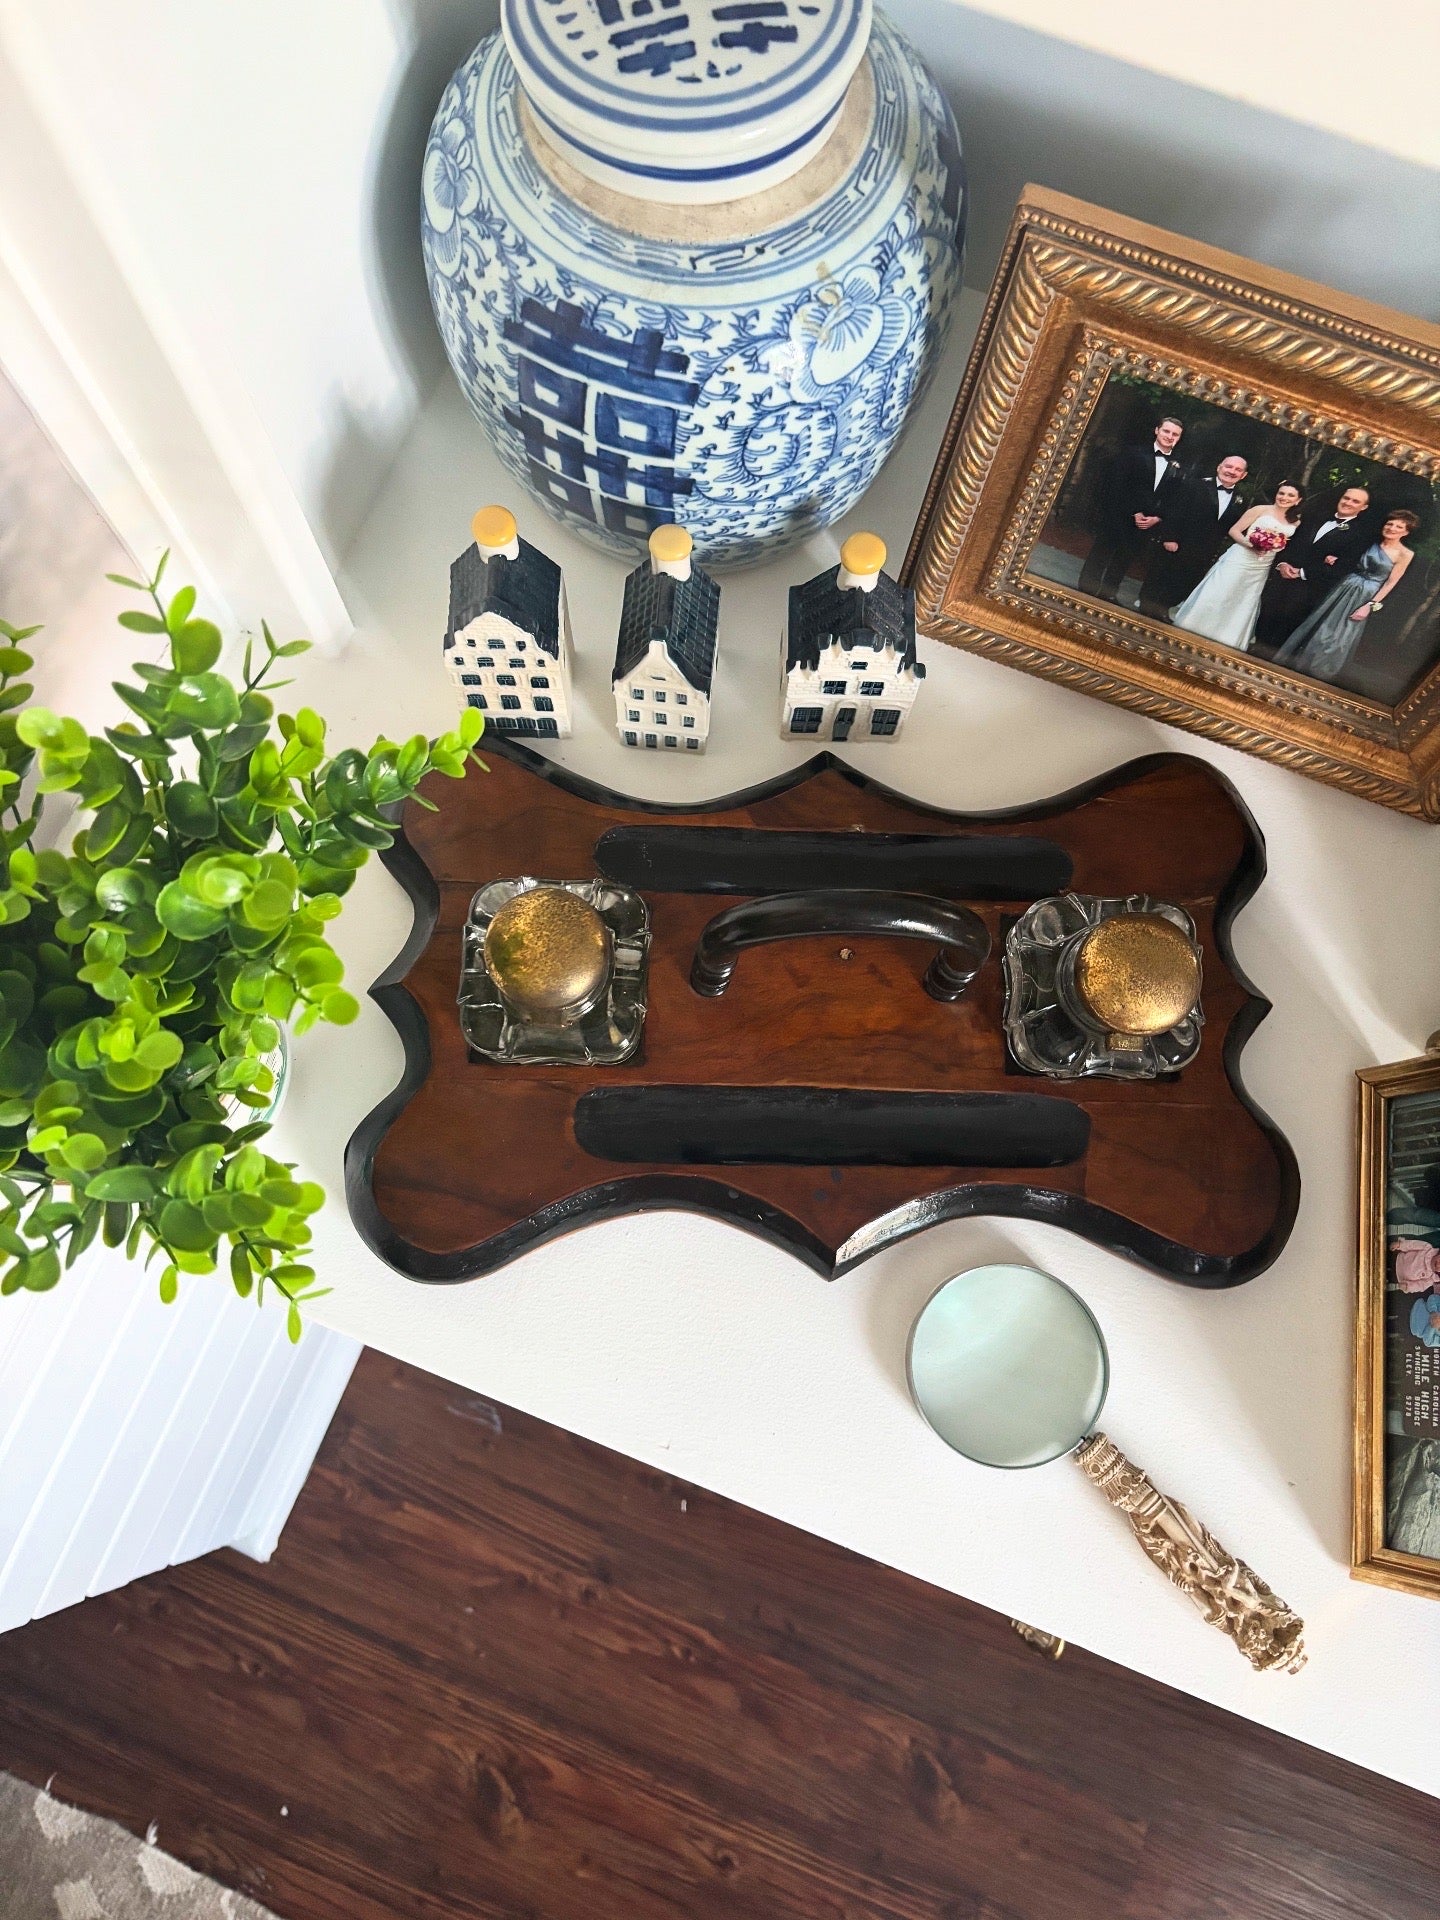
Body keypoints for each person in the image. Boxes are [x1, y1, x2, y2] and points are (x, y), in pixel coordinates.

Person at [1273, 509, 1419, 682]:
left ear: (1406, 532)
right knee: (1319, 625)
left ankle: (1317, 675)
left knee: (1339, 637)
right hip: (1344, 586)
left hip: (1365, 594)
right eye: (1390, 524)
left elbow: (1390, 583)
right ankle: (1295, 667)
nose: (1392, 528)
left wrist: (1369, 606)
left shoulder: (1405, 554)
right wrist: (1333, 558)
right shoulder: (1369, 542)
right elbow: (1349, 559)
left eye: (1399, 527)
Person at [1170, 482, 1303, 651]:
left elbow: (1288, 546)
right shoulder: (1260, 510)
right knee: (1220, 592)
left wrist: (1273, 548)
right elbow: (1234, 530)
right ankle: (1193, 628)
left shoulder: (1296, 522)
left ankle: (1226, 638)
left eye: (1290, 495)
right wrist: (1251, 544)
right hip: (1240, 558)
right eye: (1281, 493)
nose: (1284, 498)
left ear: (1298, 500)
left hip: (1261, 566)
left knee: (1243, 599)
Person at [1077, 415, 1187, 604]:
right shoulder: (1133, 453)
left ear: (1179, 438)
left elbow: (1174, 499)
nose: (1170, 436)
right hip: (1119, 513)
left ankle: (1109, 592)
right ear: (1157, 430)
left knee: (1125, 557)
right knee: (1102, 550)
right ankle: (1087, 586)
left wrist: (1157, 518)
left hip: (1147, 522)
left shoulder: (1179, 467)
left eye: (1175, 434)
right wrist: (1134, 511)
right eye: (1166, 431)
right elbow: (1117, 484)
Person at [1252, 486, 1371, 653]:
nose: (1348, 502)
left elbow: (1343, 567)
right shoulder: (1315, 517)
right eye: (1346, 498)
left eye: (1355, 501)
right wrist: (1282, 564)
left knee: (1282, 634)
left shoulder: (1360, 535)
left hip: (1309, 589)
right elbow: (1288, 542)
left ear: (1363, 507)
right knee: (1261, 620)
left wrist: (1301, 573)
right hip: (1280, 579)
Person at [1141, 454, 1249, 619]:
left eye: (1238, 469)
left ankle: (1163, 608)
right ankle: (1147, 607)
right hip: (1178, 542)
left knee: (1184, 582)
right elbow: (1174, 511)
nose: (1232, 471)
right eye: (1228, 466)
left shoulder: (1240, 499)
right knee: (1161, 576)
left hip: (1204, 551)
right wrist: (1169, 537)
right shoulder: (1194, 485)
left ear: (1243, 475)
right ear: (1219, 467)